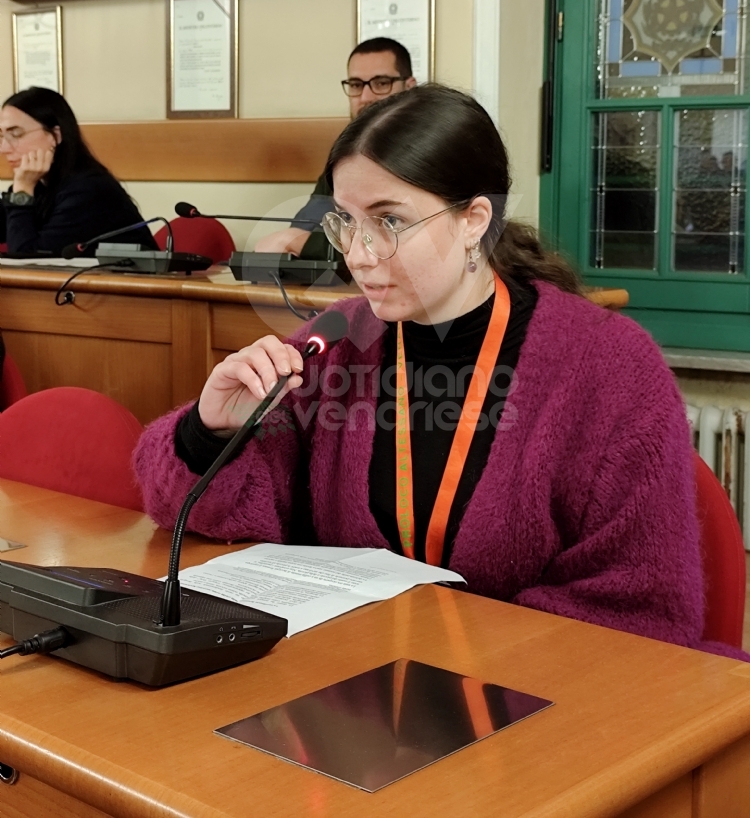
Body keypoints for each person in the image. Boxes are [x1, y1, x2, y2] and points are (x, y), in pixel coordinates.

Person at [134, 85, 743, 660]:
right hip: (349, 685)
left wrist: (445, 651)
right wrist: (208, 432)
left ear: (474, 220)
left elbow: (642, 613)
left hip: (525, 710)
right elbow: (209, 514)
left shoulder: (608, 367)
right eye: (344, 220)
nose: (359, 254)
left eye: (390, 221)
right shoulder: (339, 340)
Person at [254, 37, 416, 256]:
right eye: (357, 85)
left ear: (409, 87)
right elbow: (309, 223)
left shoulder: (426, 150)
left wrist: (299, 242)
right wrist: (297, 241)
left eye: (381, 83)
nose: (366, 97)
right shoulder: (348, 152)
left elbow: (396, 240)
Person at [0, 87, 157, 257]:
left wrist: (22, 192)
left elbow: (25, 259)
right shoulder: (38, 185)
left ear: (55, 135)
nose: (4, 148)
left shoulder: (89, 190)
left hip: (130, 282)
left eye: (16, 134)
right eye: (1, 136)